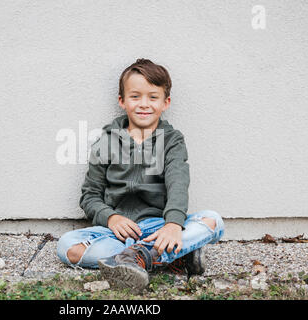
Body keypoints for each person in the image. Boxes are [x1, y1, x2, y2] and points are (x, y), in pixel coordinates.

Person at [56, 58, 225, 291]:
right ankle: (172, 255)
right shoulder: (106, 142)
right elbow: (89, 196)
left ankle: (141, 256)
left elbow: (178, 184)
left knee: (213, 220)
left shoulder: (172, 141)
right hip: (116, 232)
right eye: (135, 96)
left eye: (153, 97)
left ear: (165, 103)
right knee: (67, 246)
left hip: (159, 227)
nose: (144, 104)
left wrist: (174, 224)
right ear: (122, 101)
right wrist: (111, 217)